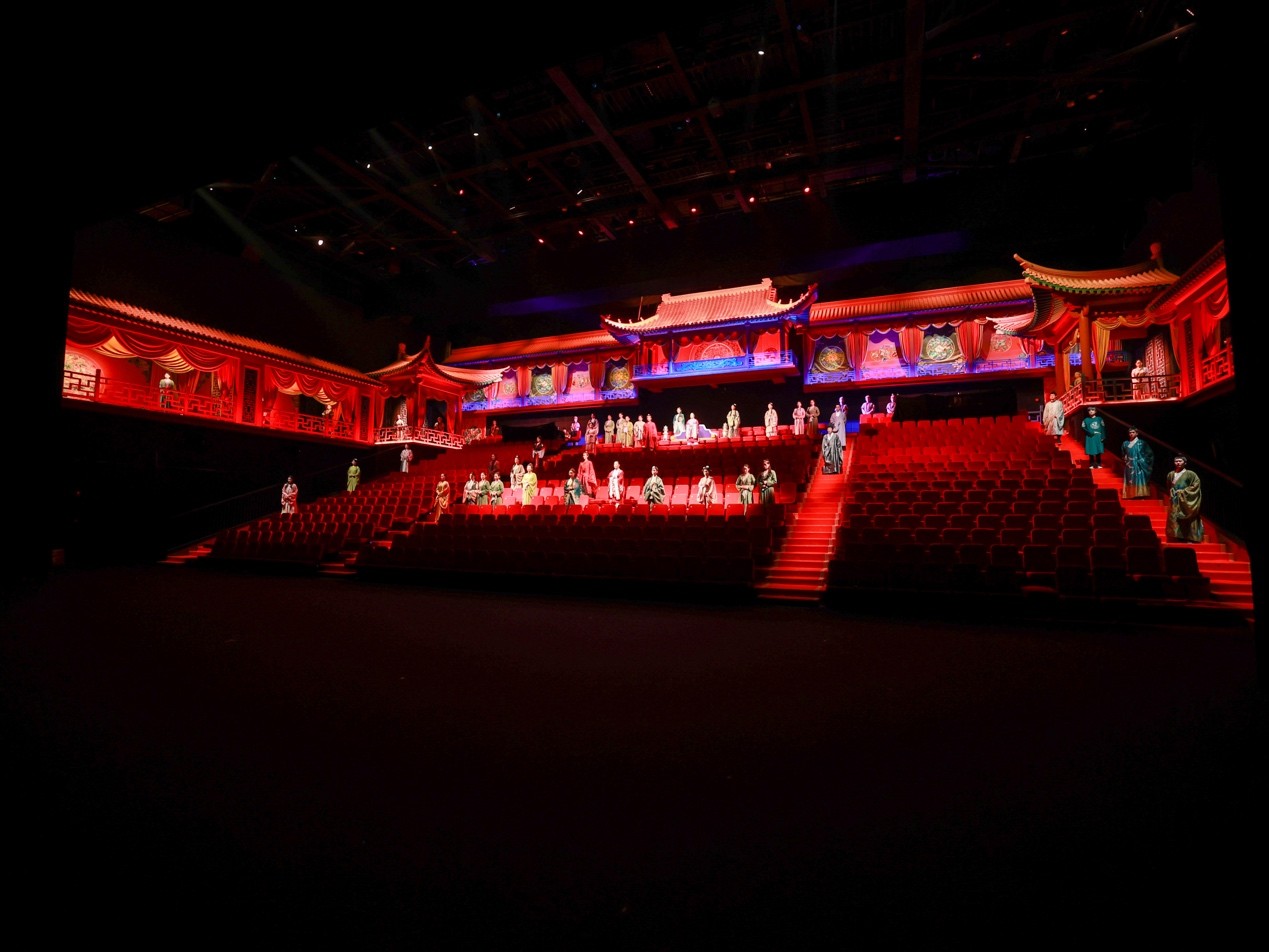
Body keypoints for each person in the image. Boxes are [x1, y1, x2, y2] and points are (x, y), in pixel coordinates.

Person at [1166, 456, 1204, 542]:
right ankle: (1176, 537)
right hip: (1175, 500)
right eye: (1176, 461)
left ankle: (1189, 538)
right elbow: (1169, 486)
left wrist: (1183, 492)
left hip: (1186, 500)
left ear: (1185, 463)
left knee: (1188, 518)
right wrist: (1172, 493)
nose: (1178, 463)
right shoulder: (1171, 474)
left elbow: (1196, 485)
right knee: (1174, 517)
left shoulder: (1191, 474)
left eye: (1180, 461)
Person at [1120, 427, 1154, 499]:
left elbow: (1149, 453)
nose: (1131, 434)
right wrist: (1125, 457)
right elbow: (1123, 453)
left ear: (1137, 433)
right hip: (1129, 465)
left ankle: (1140, 494)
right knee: (1130, 479)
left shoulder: (1141, 443)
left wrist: (1142, 460)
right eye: (1130, 432)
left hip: (1139, 465)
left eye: (1133, 432)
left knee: (1139, 479)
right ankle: (1130, 494)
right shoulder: (1125, 443)